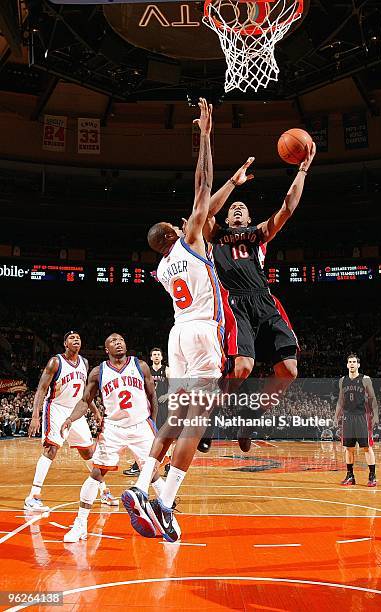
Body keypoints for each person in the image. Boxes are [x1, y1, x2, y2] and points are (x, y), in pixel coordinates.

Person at [121, 98, 220, 543]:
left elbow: (202, 204)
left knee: (174, 418)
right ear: (172, 235)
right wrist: (204, 137)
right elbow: (203, 186)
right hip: (200, 332)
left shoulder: (163, 268)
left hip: (177, 334)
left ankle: (143, 486)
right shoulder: (190, 241)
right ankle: (165, 500)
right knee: (197, 419)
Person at [198, 144, 316, 451]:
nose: (236, 208)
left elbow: (287, 208)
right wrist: (232, 184)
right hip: (234, 301)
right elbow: (205, 209)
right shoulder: (215, 234)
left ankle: (251, 416)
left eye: (242, 207)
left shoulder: (258, 235)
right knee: (242, 368)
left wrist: (302, 168)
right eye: (233, 207)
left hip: (264, 300)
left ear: (249, 217)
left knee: (289, 371)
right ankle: (211, 418)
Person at [61, 333, 165, 542]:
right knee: (97, 473)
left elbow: (152, 395)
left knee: (152, 474)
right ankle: (80, 524)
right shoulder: (98, 372)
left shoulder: (140, 365)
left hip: (140, 425)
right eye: (113, 341)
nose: (118, 343)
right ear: (106, 349)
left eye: (121, 340)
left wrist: (152, 423)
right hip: (113, 428)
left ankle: (168, 520)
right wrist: (71, 418)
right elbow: (85, 400)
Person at [24, 331, 116, 512]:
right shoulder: (55, 362)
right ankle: (33, 496)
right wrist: (36, 415)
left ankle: (103, 491)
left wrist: (96, 412)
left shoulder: (84, 362)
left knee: (89, 452)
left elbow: (85, 393)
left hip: (75, 412)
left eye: (79, 338)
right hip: (56, 408)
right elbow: (41, 389)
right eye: (72, 338)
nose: (77, 340)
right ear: (65, 343)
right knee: (51, 449)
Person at [123, 347, 170, 477]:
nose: (156, 356)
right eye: (154, 354)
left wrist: (166, 395)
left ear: (161, 357)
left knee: (165, 437)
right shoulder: (146, 369)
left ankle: (168, 465)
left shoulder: (167, 370)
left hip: (164, 406)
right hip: (149, 406)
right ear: (150, 357)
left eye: (158, 354)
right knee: (145, 435)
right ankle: (138, 465)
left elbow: (176, 387)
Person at [334, 353, 379, 487]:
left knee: (366, 447)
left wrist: (375, 414)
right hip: (347, 417)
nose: (352, 364)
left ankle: (372, 476)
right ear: (347, 365)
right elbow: (340, 400)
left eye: (354, 362)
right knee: (349, 448)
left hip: (362, 417)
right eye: (350, 362)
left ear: (358, 364)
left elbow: (372, 398)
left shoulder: (365, 379)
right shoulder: (342, 380)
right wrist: (336, 416)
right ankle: (350, 476)